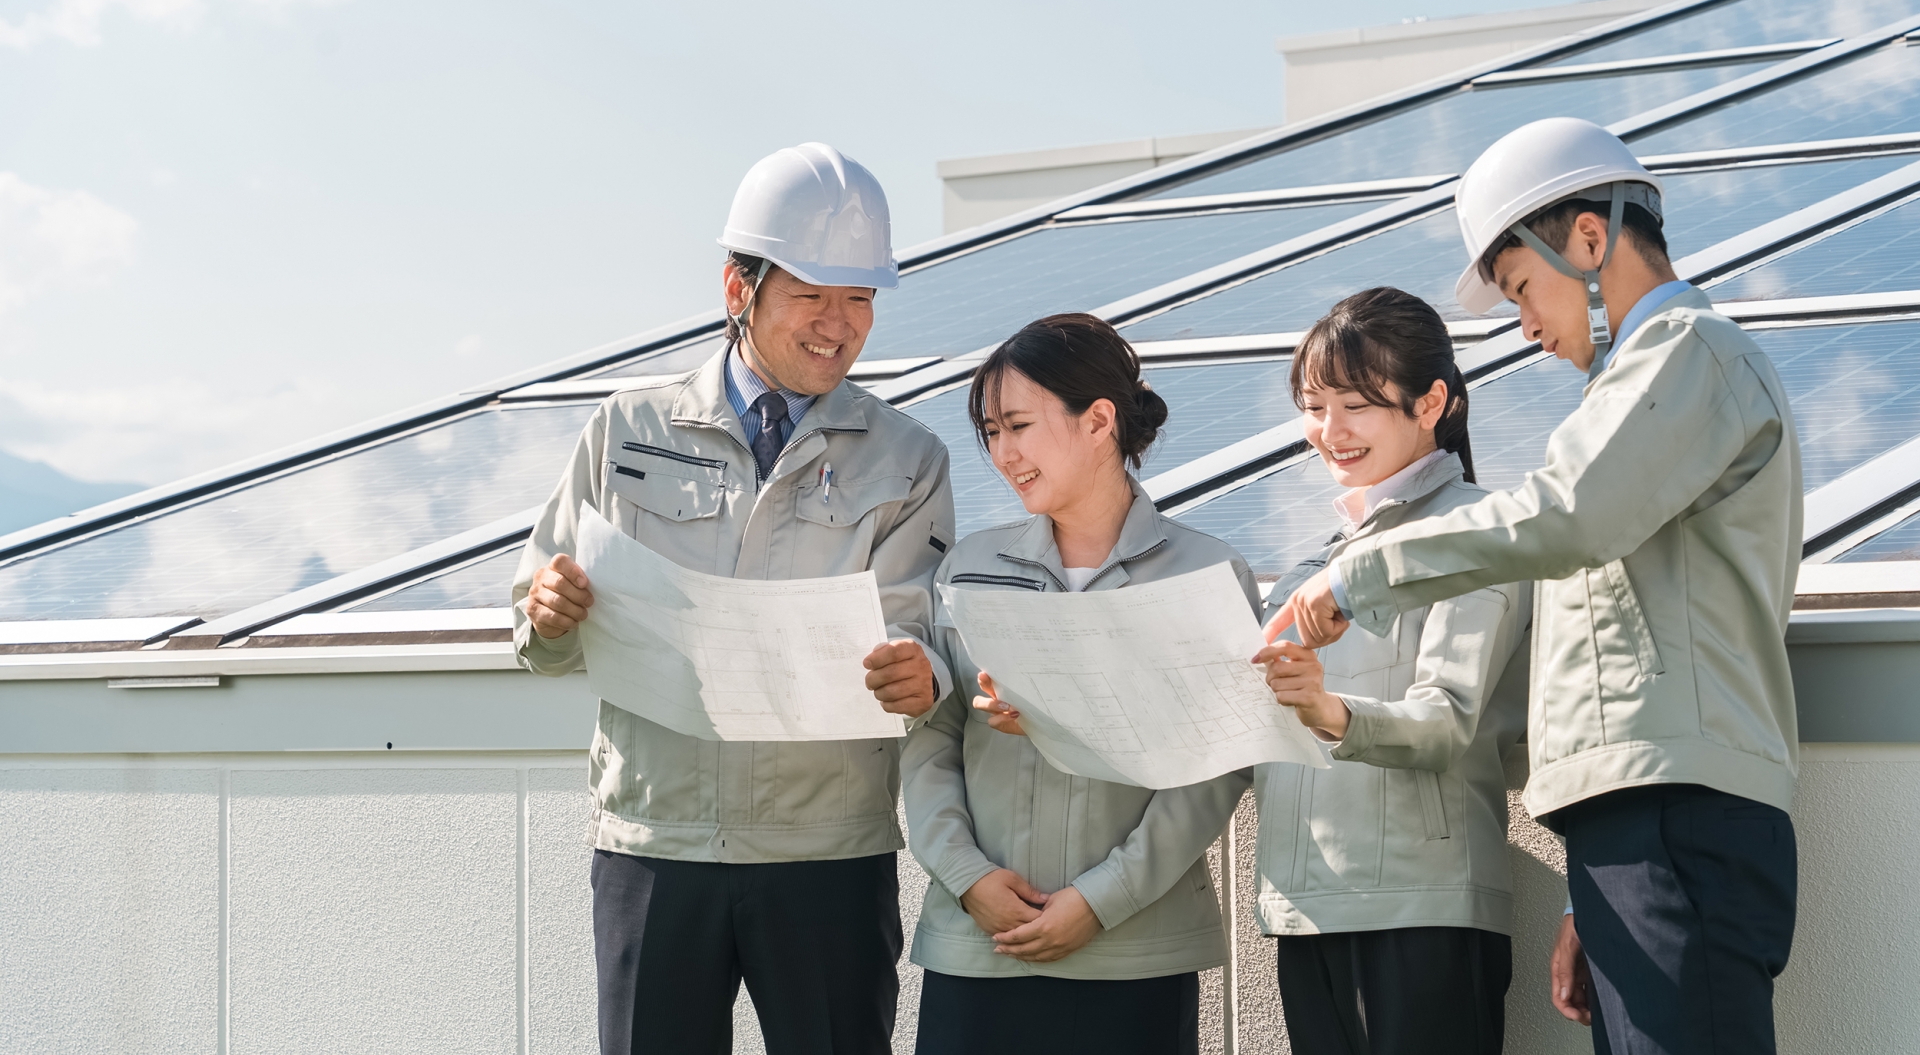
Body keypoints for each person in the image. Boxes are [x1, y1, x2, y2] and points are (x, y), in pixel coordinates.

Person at [1270, 118, 1801, 1055]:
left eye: (1522, 287)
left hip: (1677, 815)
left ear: (1589, 240)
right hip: (1640, 824)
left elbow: (1565, 519)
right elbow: (1617, 663)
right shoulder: (1631, 393)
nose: (1524, 324)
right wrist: (1581, 889)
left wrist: (1362, 575)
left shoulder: (1688, 351)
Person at [512, 143, 958, 1055]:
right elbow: (540, 618)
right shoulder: (628, 429)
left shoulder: (908, 459)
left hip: (826, 851)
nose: (839, 325)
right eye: (812, 295)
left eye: (860, 298)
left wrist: (922, 676)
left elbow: (918, 631)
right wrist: (547, 614)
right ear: (737, 289)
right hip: (654, 843)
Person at [901, 313, 1251, 1055]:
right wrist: (966, 878)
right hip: (978, 950)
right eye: (991, 432)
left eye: (1019, 425)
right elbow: (931, 738)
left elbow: (1216, 765)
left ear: (1099, 422)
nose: (1003, 453)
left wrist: (1101, 901)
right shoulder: (968, 568)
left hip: (1138, 956)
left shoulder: (1207, 574)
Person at [1249, 287, 1529, 1055]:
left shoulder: (1477, 535)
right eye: (1313, 406)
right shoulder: (1311, 563)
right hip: (1305, 909)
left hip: (1423, 911)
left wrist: (1326, 709)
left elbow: (1446, 721)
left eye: (1355, 405)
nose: (1329, 431)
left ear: (1431, 401)